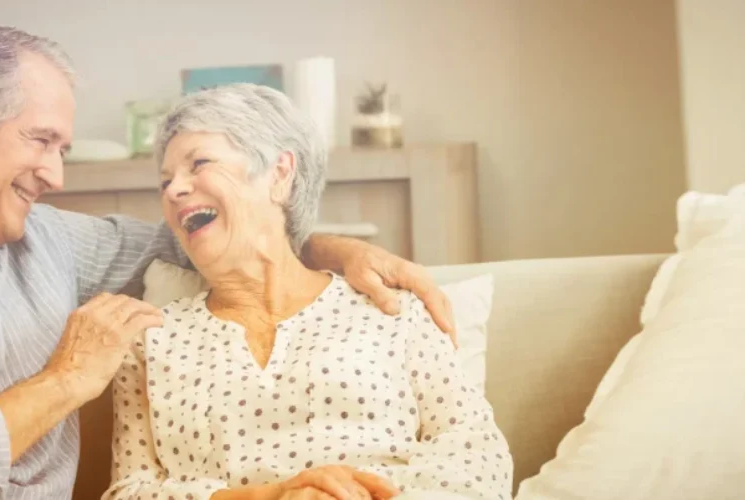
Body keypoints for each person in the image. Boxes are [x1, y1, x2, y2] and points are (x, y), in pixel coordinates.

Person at [0, 26, 458, 499]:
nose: (56, 176)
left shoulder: (47, 238)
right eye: (41, 141)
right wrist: (68, 378)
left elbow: (216, 240)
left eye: (63, 150)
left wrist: (333, 247)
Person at [103, 84, 512, 500]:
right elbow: (128, 493)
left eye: (199, 164)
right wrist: (270, 497)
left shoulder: (391, 310)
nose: (174, 190)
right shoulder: (150, 340)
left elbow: (476, 456)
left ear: (280, 175)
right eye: (166, 181)